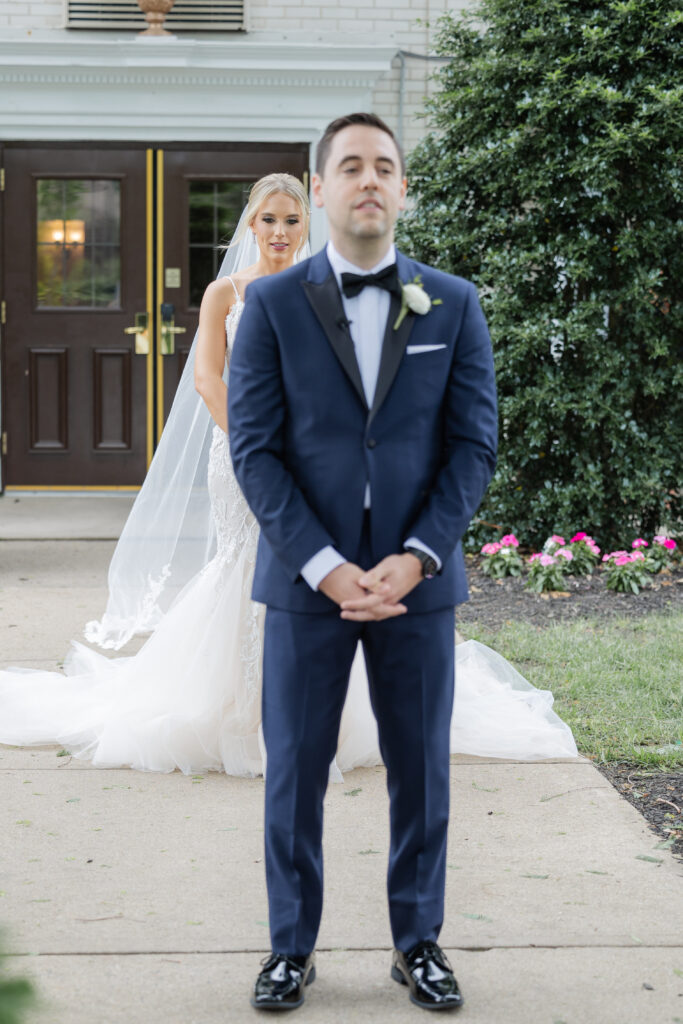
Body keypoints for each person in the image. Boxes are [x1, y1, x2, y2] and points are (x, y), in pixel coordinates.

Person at [0, 169, 576, 782]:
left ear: (309, 225)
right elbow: (206, 379)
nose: (279, 231)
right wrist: (256, 443)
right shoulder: (226, 293)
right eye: (268, 219)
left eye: (292, 220)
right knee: (246, 560)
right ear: (252, 223)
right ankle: (243, 710)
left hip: (313, 457)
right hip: (242, 454)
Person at [229, 111, 509, 1013]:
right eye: (349, 166)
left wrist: (418, 555)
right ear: (318, 189)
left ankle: (417, 942)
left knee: (422, 770)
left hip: (415, 587)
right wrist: (320, 563)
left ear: (402, 187)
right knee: (294, 772)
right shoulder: (269, 306)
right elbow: (257, 453)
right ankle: (288, 950)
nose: (369, 180)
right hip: (307, 584)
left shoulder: (453, 303)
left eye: (384, 166)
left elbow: (472, 445)